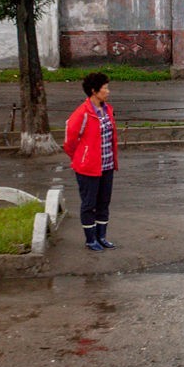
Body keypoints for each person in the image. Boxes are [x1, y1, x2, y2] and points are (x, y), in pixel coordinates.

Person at [63, 72, 119, 252]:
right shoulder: (83, 113)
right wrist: (81, 158)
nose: (108, 92)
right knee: (89, 204)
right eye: (105, 88)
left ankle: (102, 237)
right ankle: (90, 239)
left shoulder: (107, 109)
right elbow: (70, 141)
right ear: (94, 91)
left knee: (104, 202)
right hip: (88, 168)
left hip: (107, 165)